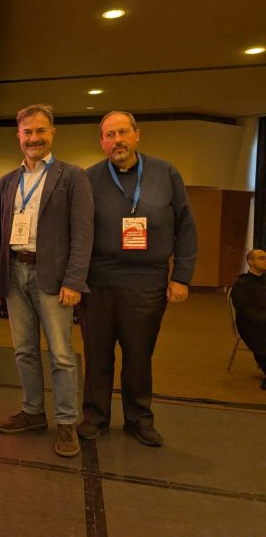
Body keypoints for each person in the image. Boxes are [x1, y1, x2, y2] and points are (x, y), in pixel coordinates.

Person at [78, 111, 197, 447]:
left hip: (147, 282)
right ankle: (95, 417)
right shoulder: (89, 178)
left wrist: (182, 276)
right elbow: (77, 231)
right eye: (110, 135)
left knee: (139, 356)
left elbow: (186, 227)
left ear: (137, 135)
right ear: (102, 142)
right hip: (98, 282)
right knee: (97, 355)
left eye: (123, 132)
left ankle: (139, 419)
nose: (117, 140)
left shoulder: (165, 173)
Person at [0, 104, 94, 458]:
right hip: (13, 273)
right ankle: (33, 412)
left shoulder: (73, 176)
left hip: (54, 277)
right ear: (18, 136)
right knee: (24, 350)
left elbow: (83, 234)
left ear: (53, 133)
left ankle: (66, 423)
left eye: (40, 131)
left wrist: (74, 280)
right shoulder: (8, 181)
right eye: (27, 132)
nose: (34, 138)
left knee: (62, 355)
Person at [230, 249, 266, 390]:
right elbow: (246, 310)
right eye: (262, 258)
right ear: (251, 262)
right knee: (262, 339)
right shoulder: (242, 284)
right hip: (250, 324)